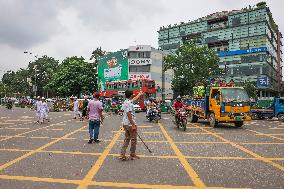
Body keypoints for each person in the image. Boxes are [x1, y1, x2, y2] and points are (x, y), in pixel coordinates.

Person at [120, 89, 144, 161]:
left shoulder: (126, 101)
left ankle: (122, 154)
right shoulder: (129, 103)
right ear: (131, 95)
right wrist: (133, 124)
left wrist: (139, 94)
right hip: (130, 124)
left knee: (127, 139)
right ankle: (132, 154)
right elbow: (129, 114)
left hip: (125, 123)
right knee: (133, 140)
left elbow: (134, 99)